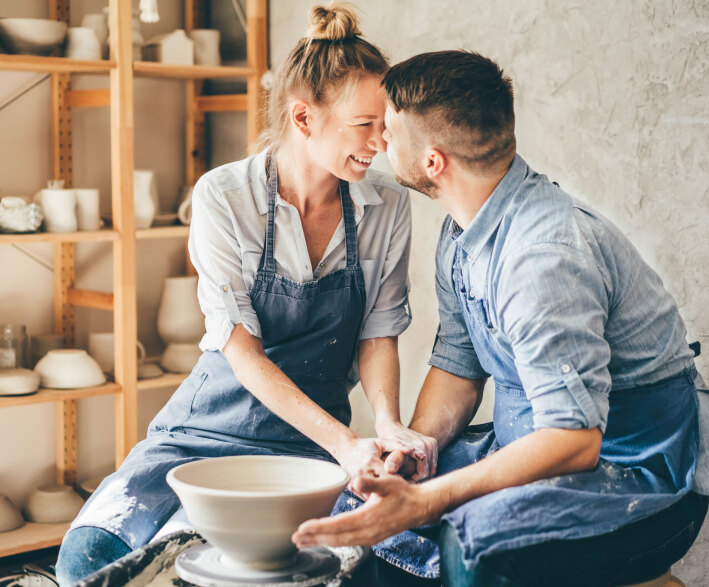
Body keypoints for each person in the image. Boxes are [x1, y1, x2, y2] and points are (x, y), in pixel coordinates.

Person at [294, 50, 709, 586]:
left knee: (472, 545)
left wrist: (431, 500)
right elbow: (458, 365)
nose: (380, 141)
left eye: (392, 131)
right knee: (359, 509)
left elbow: (575, 439)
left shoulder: (542, 258)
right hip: (533, 449)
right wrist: (416, 451)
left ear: (433, 162)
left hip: (638, 473)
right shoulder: (461, 234)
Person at [55, 5, 434, 584]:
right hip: (201, 434)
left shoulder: (386, 205)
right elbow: (242, 352)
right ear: (303, 118)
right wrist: (347, 443)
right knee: (87, 560)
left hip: (310, 444)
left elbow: (378, 331)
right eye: (365, 125)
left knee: (355, 563)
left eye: (385, 124)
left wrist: (385, 428)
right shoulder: (224, 197)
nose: (382, 142)